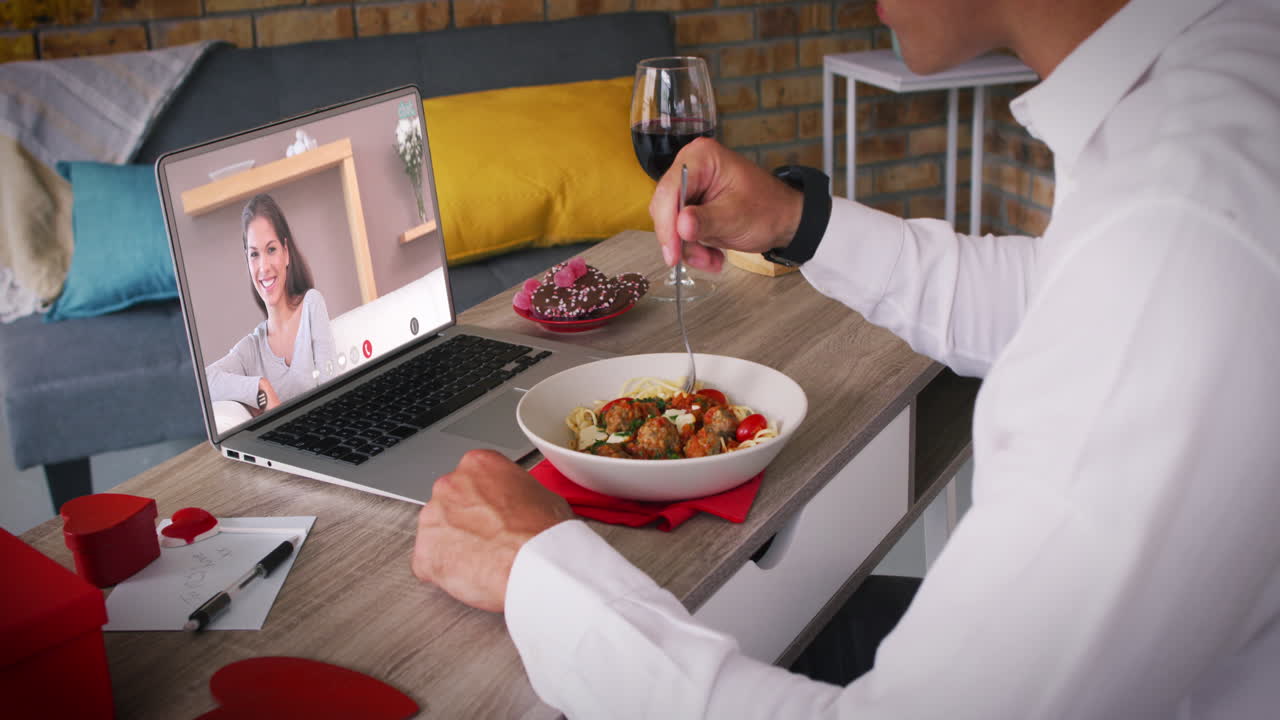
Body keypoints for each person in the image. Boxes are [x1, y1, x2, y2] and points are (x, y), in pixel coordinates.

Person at [411, 0, 1280, 716]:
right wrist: (799, 222)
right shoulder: (1218, 92)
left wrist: (540, 571)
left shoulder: (1180, 229)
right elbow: (1058, 301)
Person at [206, 193, 338, 416]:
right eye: (254, 254)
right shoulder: (251, 350)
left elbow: (335, 398)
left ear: (286, 253)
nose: (264, 266)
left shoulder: (311, 306)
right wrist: (260, 388)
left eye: (271, 250)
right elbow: (204, 382)